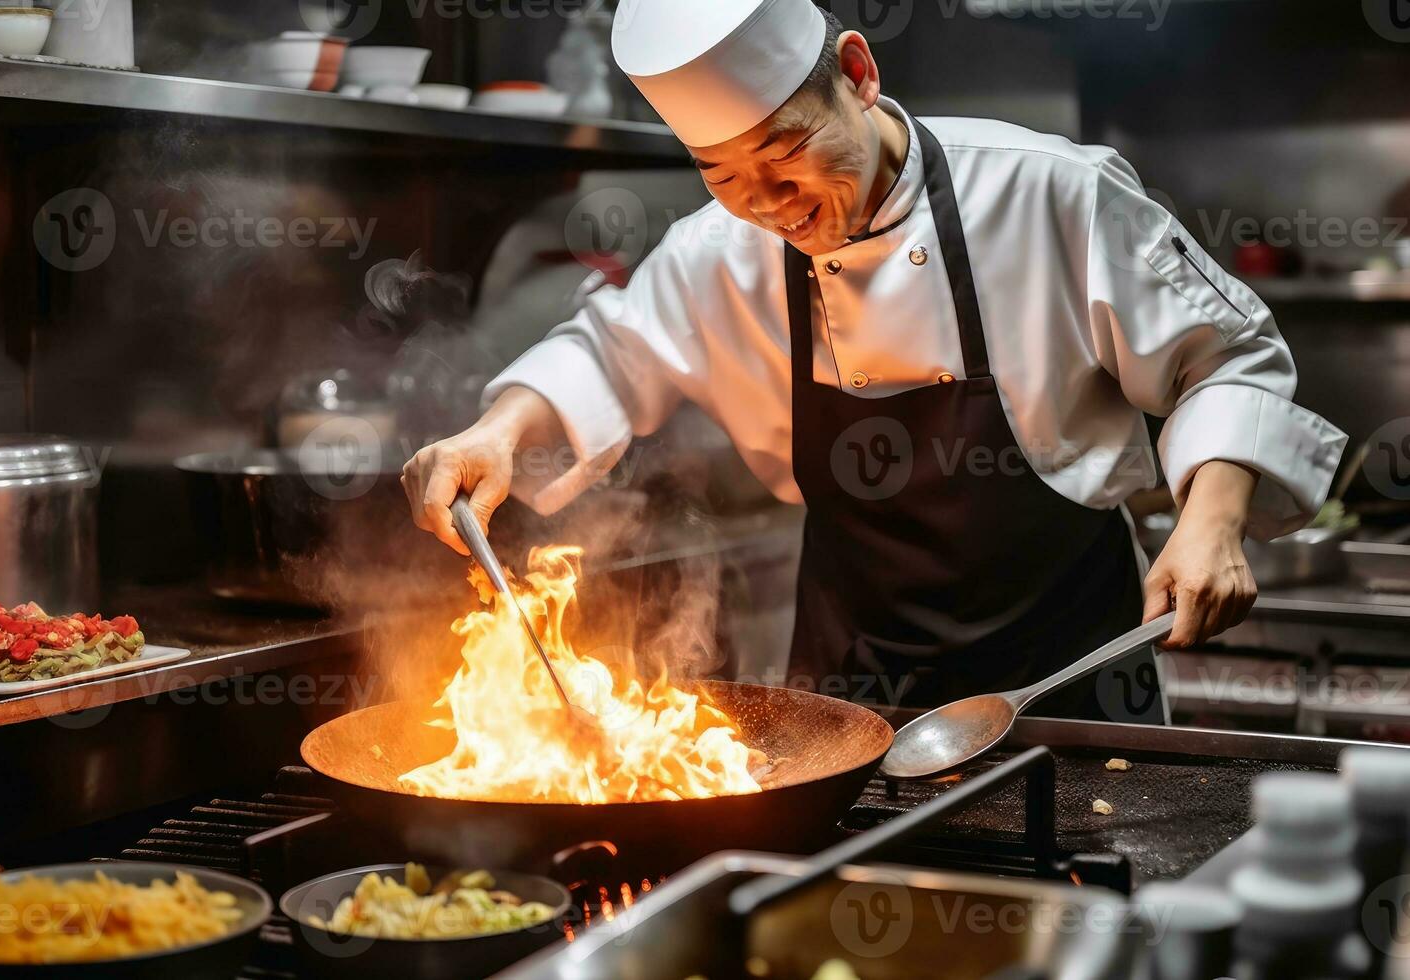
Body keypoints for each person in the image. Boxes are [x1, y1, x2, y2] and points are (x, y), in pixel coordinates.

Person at [401, 0, 1346, 717]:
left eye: (788, 154)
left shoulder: (1047, 190)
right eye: (724, 176)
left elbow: (1229, 357)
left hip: (1071, 685)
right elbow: (606, 351)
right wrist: (496, 430)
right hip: (849, 704)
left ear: (857, 73)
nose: (771, 202)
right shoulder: (716, 250)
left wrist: (1214, 518)